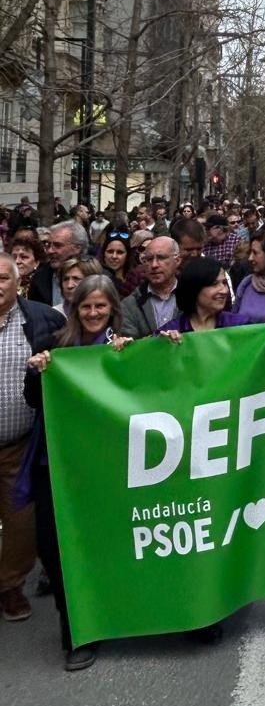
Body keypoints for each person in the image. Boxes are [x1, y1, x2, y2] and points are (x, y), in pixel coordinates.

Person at [25, 274, 133, 669]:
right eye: (86, 306)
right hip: (58, 465)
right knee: (53, 547)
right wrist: (37, 372)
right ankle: (75, 630)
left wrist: (135, 356)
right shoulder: (54, 346)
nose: (93, 313)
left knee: (108, 544)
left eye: (100, 306)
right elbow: (34, 400)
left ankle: (111, 618)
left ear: (112, 310)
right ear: (74, 309)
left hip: (108, 468)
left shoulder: (126, 346)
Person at [0, 254, 63, 626]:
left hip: (19, 444)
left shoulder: (42, 319)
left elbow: (74, 357)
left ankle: (10, 585)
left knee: (22, 522)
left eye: (2, 279)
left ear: (17, 281)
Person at [163, 257, 252, 334]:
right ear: (194, 289)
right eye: (214, 284)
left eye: (224, 283)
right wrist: (165, 344)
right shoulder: (172, 330)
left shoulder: (239, 325)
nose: (224, 291)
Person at [121, 235, 183, 337]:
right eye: (149, 259)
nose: (154, 265)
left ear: (177, 260)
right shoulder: (129, 305)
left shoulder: (193, 297)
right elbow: (129, 348)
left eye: (161, 258)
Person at [28, 219, 90, 307]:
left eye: (57, 245)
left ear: (77, 248)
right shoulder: (40, 278)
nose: (50, 251)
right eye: (48, 245)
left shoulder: (99, 276)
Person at [100, 232, 139, 296]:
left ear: (127, 256)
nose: (114, 256)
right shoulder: (94, 279)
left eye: (120, 252)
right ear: (104, 254)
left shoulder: (135, 281)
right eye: (110, 251)